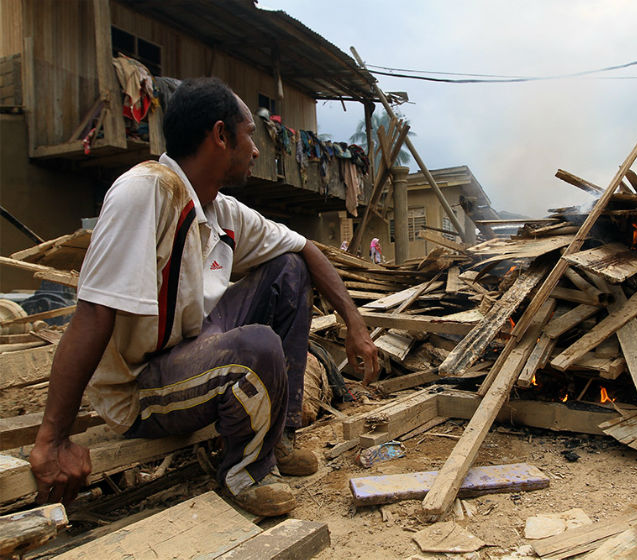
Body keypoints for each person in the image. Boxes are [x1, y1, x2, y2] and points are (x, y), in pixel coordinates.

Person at [28, 78, 379, 517]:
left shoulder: (220, 210)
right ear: (219, 135)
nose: (254, 149)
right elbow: (95, 313)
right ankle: (245, 471)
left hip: (192, 351)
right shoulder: (147, 191)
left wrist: (355, 322)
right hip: (142, 387)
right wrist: (52, 439)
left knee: (289, 267)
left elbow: (305, 248)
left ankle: (280, 437)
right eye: (249, 134)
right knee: (257, 347)